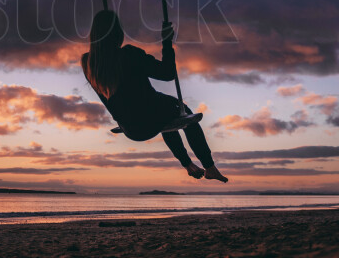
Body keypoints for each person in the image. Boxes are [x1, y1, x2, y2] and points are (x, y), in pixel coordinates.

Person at [81, 10, 228, 182]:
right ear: (117, 32)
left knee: (167, 116)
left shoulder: (89, 63)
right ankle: (209, 167)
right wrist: (167, 41)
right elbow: (168, 73)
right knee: (184, 114)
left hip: (131, 128)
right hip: (150, 116)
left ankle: (188, 165)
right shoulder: (129, 54)